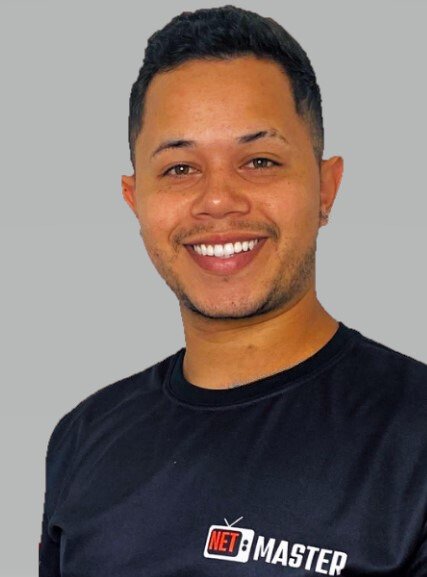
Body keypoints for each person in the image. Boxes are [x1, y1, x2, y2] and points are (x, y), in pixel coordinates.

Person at [39, 5, 427, 576]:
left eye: (259, 161)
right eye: (179, 169)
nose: (218, 200)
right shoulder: (82, 438)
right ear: (134, 199)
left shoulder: (413, 437)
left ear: (326, 188)